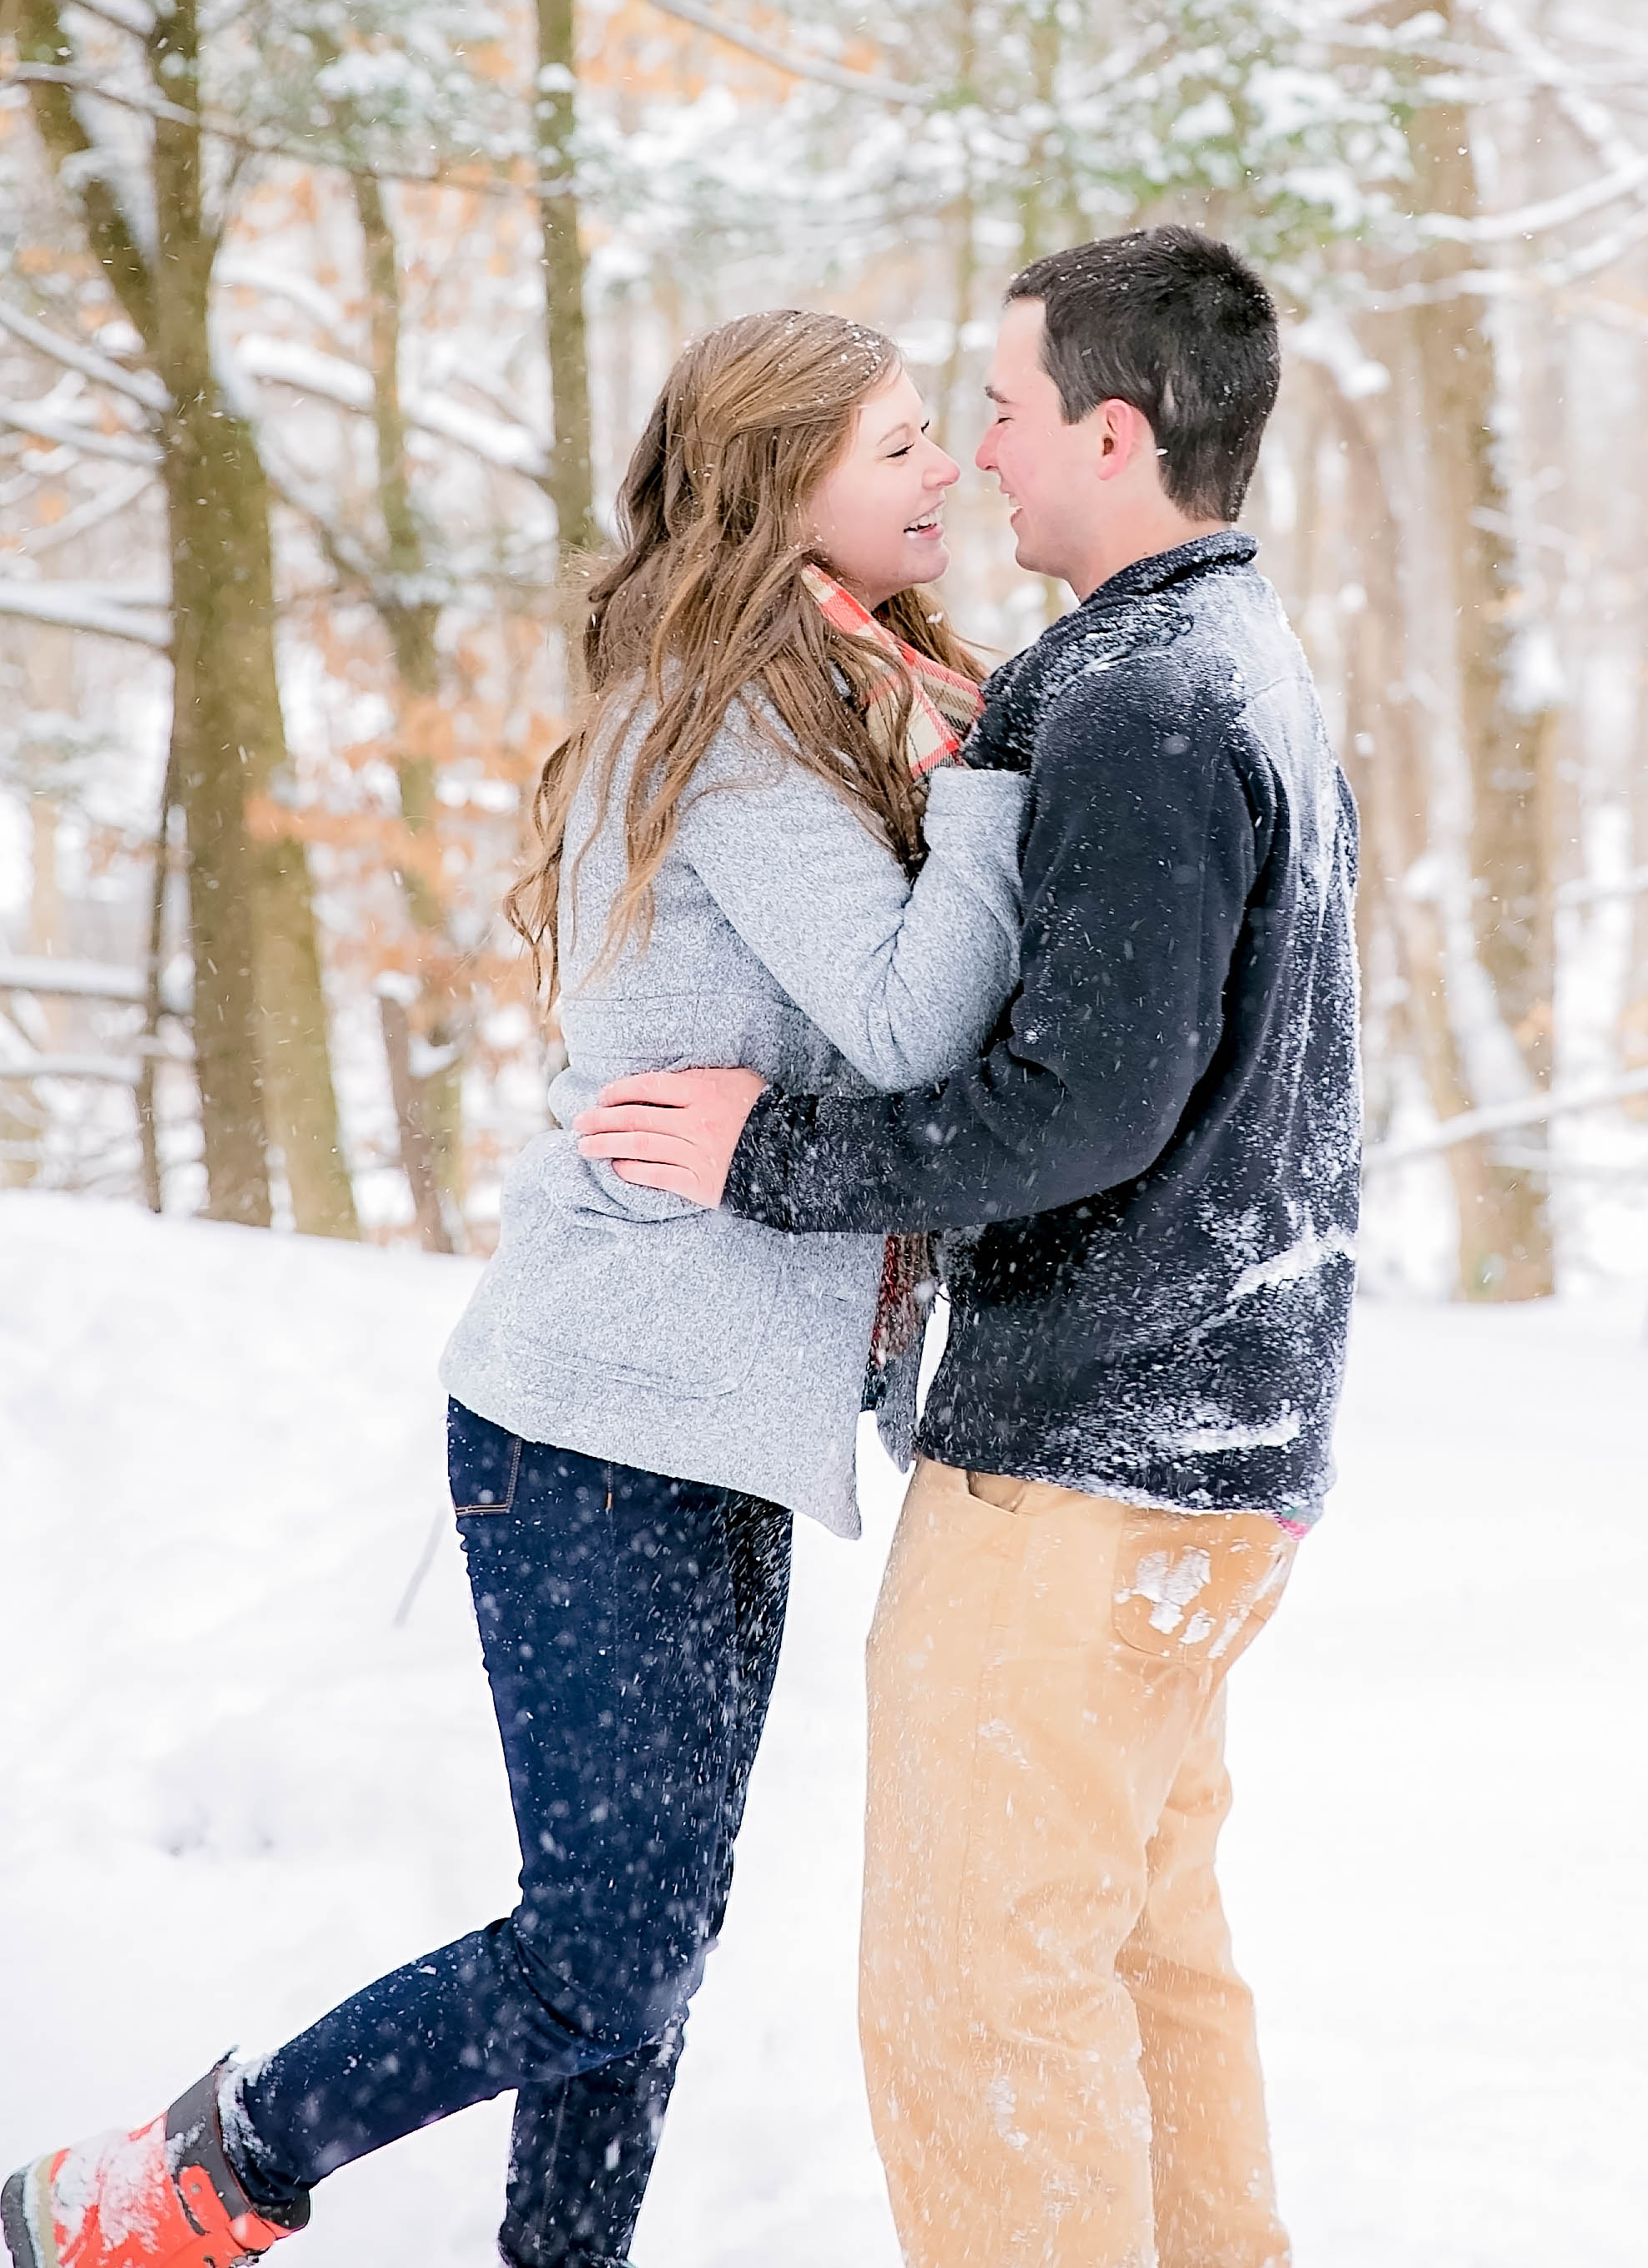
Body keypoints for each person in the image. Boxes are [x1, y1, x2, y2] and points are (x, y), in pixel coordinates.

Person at [2, 310, 1028, 2268]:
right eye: (901, 441)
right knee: (609, 1943)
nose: (947, 469)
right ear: (779, 482)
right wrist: (989, 772)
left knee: (636, 1939)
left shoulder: (810, 691)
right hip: (596, 1423)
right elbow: (906, 1023)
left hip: (700, 1421)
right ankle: (176, 2183)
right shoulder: (726, 717)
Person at [577, 226, 1363, 2268]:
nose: (980, 462)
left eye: (1000, 414)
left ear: (1113, 430)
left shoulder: (1132, 700)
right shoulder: (1229, 664)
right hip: (1214, 1455)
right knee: (1134, 1959)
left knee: (976, 2003)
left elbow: (1078, 1104)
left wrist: (773, 1154)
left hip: (1086, 1459)